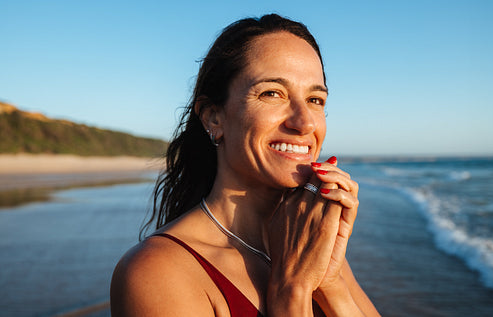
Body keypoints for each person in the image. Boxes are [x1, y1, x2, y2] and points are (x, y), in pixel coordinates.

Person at [110, 14, 380, 316]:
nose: (304, 122)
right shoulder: (158, 272)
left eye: (316, 99)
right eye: (272, 93)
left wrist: (331, 285)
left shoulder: (310, 246)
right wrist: (291, 293)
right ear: (214, 117)